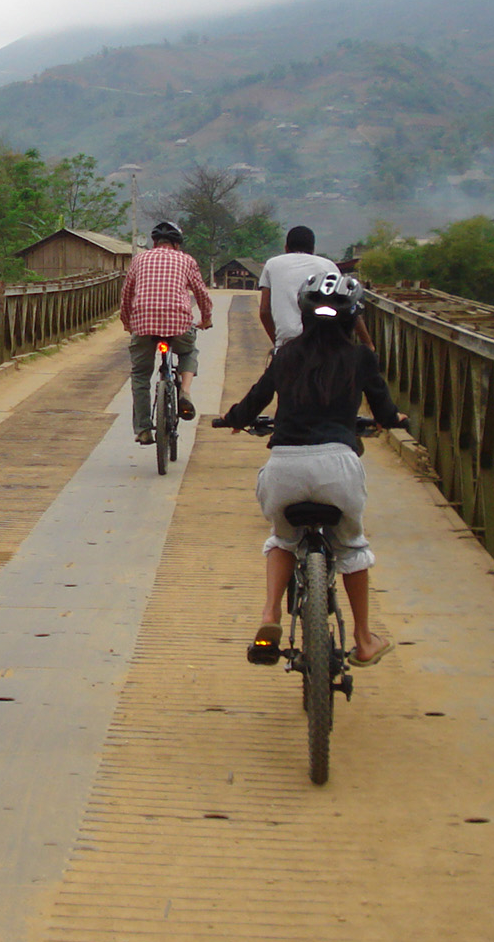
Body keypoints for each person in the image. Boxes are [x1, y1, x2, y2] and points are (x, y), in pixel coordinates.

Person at [215, 272, 406, 667]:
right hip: (338, 467)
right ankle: (364, 639)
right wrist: (395, 418)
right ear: (353, 319)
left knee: (282, 540)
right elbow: (385, 412)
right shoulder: (361, 358)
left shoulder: (286, 355)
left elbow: (254, 402)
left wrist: (234, 418)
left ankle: (269, 615)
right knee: (352, 549)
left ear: (304, 315)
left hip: (285, 468)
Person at [119, 219, 213, 446]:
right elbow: (201, 294)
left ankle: (143, 429)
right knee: (189, 351)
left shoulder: (140, 259)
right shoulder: (186, 260)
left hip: (144, 323)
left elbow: (127, 295)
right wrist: (206, 319)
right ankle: (185, 392)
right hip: (178, 323)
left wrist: (127, 323)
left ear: (154, 242)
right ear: (177, 244)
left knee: (140, 374)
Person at [258, 225, 340, 352]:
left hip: (287, 341)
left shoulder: (272, 264)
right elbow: (346, 304)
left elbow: (264, 311)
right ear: (313, 249)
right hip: (321, 341)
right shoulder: (328, 266)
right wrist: (368, 343)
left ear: (286, 248)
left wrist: (277, 344)